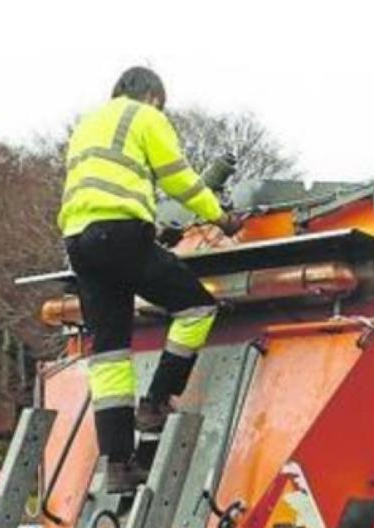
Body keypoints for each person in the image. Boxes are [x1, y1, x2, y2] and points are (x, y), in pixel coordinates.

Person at [58, 66, 241, 492]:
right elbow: (178, 178)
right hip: (121, 233)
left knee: (109, 354)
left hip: (79, 243)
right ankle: (156, 403)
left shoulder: (88, 125)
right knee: (197, 306)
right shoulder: (145, 116)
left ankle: (118, 465)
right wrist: (221, 218)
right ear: (153, 96)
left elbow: (105, 188)